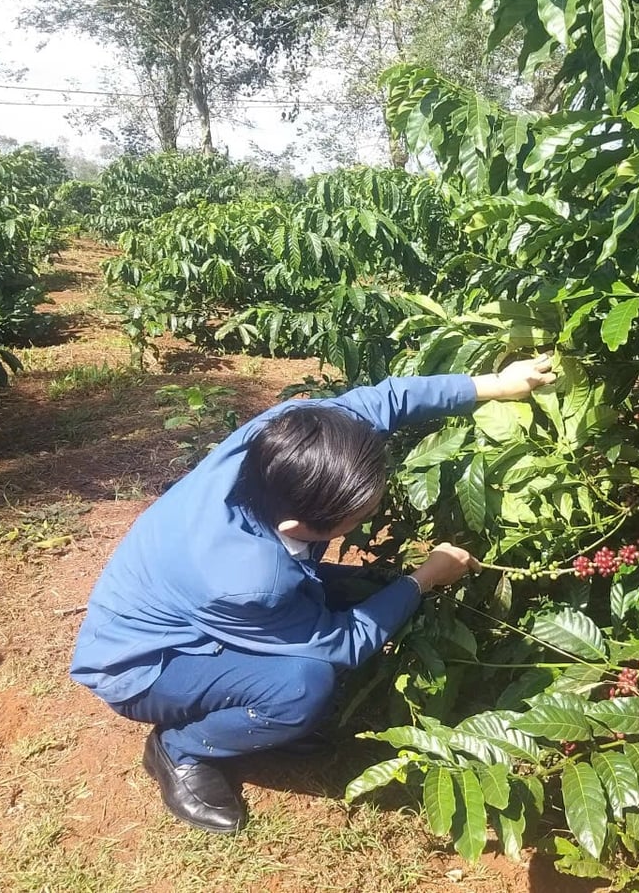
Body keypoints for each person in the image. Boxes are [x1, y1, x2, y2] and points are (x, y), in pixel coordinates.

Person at [69, 357, 556, 833]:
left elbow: (383, 400)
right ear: (298, 526)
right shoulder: (249, 578)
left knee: (359, 594)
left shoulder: (289, 435)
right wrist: (423, 578)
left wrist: (495, 383)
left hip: (192, 607)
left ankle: (244, 718)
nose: (370, 509)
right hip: (144, 665)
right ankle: (183, 748)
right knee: (302, 686)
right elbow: (344, 642)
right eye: (358, 514)